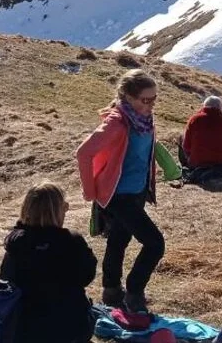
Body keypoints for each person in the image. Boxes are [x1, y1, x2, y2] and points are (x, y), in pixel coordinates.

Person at [76, 69, 165, 314]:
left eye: (154, 99)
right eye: (145, 100)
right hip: (118, 195)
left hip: (137, 192)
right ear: (128, 96)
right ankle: (134, 293)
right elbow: (84, 153)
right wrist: (90, 192)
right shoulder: (117, 122)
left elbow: (146, 148)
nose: (151, 104)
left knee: (119, 240)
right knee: (155, 244)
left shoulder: (144, 119)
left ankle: (112, 291)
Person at [0, 181, 97, 343]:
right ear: (58, 211)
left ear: (26, 210)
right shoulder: (72, 241)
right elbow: (87, 276)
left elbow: (6, 284)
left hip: (23, 331)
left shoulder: (16, 245)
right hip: (71, 329)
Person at [180, 95, 222, 179]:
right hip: (220, 165)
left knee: (181, 139)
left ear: (204, 106)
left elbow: (186, 145)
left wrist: (192, 156)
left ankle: (188, 170)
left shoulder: (194, 120)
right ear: (220, 108)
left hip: (197, 164)